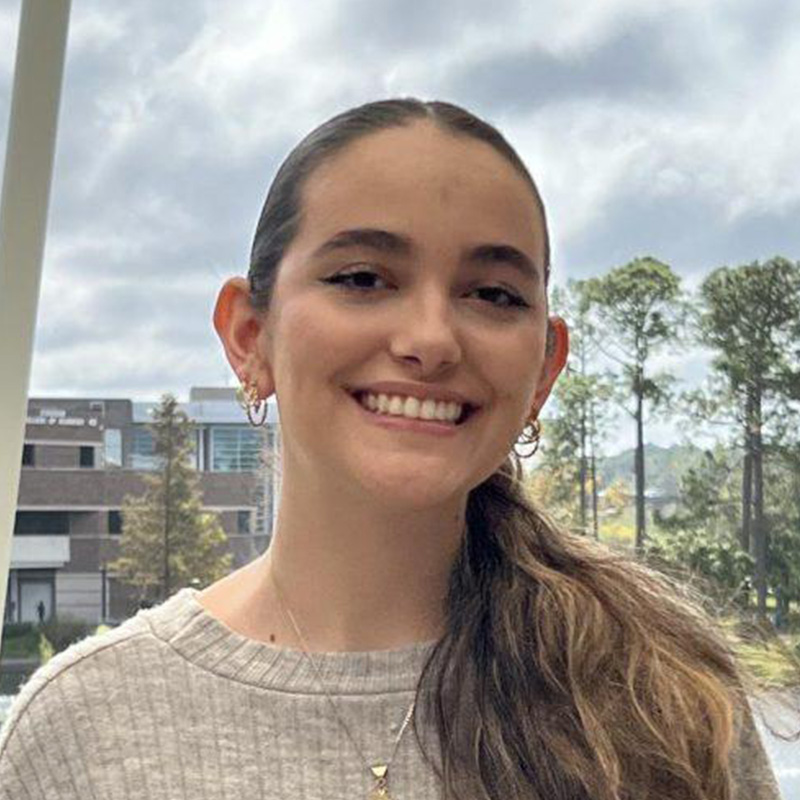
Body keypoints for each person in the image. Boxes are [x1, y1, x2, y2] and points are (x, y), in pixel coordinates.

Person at [0, 98, 784, 800]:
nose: (430, 340)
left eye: (493, 294)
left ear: (544, 367)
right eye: (364, 277)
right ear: (249, 336)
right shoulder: (81, 732)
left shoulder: (662, 699)